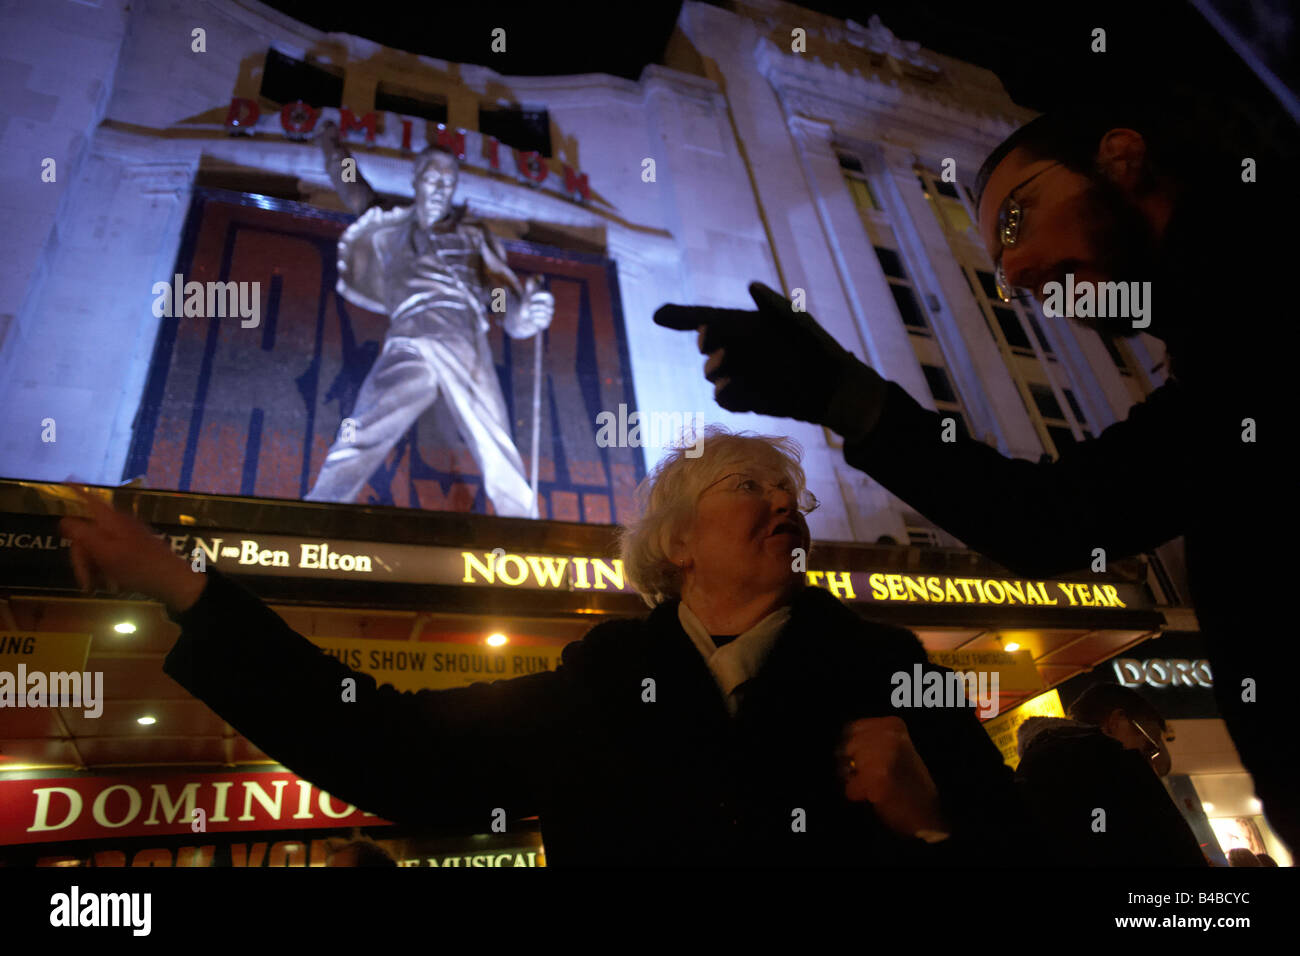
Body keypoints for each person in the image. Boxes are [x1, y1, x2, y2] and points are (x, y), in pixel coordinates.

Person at [652, 86, 1295, 853]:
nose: (1015, 271)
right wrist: (843, 397)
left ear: (1122, 158)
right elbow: (1051, 514)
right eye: (995, 259)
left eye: (1016, 218)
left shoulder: (1260, 302)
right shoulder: (1213, 367)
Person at [57, 428, 1030, 867]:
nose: (783, 504)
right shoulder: (601, 682)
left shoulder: (892, 661)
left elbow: (1023, 849)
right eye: (749, 486)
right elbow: (391, 746)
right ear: (678, 543)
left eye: (789, 494)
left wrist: (934, 819)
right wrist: (187, 588)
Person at [304, 122, 555, 517]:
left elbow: (498, 297)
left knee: (496, 442)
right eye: (432, 177)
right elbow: (350, 183)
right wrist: (329, 145)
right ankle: (317, 511)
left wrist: (523, 316)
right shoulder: (389, 224)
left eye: (449, 180)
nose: (440, 187)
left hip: (462, 337)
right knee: (364, 426)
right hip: (410, 336)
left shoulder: (472, 236)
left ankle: (525, 529)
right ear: (416, 180)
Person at [1014, 683, 1205, 866]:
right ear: (1116, 722)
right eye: (1148, 747)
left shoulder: (1034, 773)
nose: (1149, 760)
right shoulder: (1116, 771)